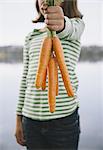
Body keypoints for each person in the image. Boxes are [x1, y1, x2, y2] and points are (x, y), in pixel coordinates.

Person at [15, 0, 85, 150]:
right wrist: (18, 118)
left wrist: (61, 24)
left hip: (63, 120)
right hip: (30, 119)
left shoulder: (75, 27)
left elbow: (70, 28)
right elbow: (25, 79)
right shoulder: (31, 37)